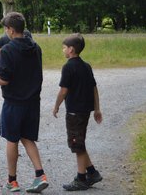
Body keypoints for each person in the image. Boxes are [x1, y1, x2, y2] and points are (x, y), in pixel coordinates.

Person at [0, 12, 49, 193]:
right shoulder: (36, 47)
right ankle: (40, 175)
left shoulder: (8, 50)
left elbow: (4, 80)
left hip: (14, 102)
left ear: (11, 30)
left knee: (12, 139)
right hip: (33, 101)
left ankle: (12, 181)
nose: (6, 32)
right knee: (27, 137)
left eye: (6, 29)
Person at [52, 34, 103, 191]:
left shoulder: (68, 67)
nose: (63, 50)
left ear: (71, 49)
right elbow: (94, 88)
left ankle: (81, 179)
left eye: (64, 48)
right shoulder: (86, 66)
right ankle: (92, 173)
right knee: (79, 142)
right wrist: (97, 108)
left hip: (74, 112)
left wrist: (56, 106)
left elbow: (63, 91)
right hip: (85, 111)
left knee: (76, 145)